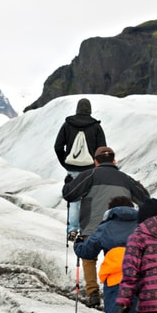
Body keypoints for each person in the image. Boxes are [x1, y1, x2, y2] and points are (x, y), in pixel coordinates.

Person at [74, 196, 154, 313]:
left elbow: (88, 251)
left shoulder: (106, 226)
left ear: (111, 209)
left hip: (116, 280)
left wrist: (78, 243)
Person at [65, 146, 148, 305]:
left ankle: (93, 292)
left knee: (89, 257)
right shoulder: (125, 178)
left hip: (92, 224)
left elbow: (70, 194)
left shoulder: (89, 175)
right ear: (114, 160)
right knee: (118, 256)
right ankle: (122, 289)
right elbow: (145, 198)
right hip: (121, 226)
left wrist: (69, 182)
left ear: (95, 162)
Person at [54, 98, 108, 236]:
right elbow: (102, 149)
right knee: (89, 198)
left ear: (77, 109)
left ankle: (72, 229)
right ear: (89, 109)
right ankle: (87, 229)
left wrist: (65, 162)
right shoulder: (96, 126)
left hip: (72, 168)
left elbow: (58, 146)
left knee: (74, 199)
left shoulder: (67, 124)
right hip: (90, 169)